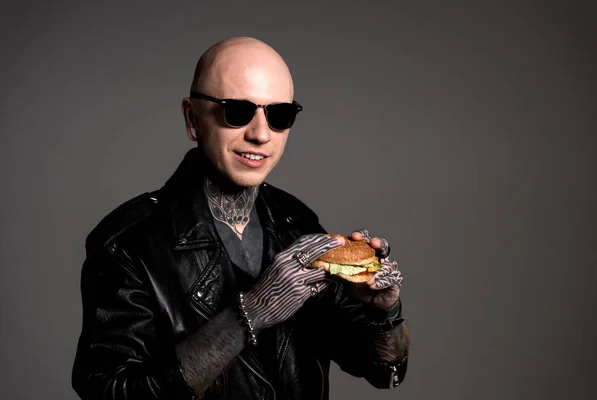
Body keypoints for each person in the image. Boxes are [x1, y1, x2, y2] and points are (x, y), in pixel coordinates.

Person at [71, 36, 409, 400]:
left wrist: (383, 312)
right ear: (192, 118)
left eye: (279, 116)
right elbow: (109, 392)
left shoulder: (296, 221)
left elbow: (381, 372)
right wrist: (249, 312)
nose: (261, 134)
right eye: (237, 111)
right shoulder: (127, 242)